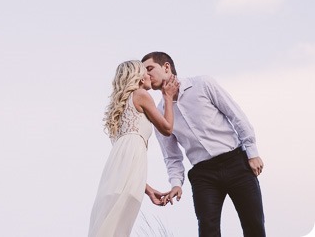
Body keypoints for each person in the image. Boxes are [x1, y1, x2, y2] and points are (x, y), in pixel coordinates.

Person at [142, 51, 266, 237]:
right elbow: (172, 156)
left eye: (150, 68)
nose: (146, 75)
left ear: (166, 67)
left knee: (253, 224)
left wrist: (252, 151)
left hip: (236, 162)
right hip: (203, 174)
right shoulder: (159, 114)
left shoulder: (203, 84)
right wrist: (176, 183)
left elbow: (236, 115)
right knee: (207, 229)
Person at [88, 60, 179, 237]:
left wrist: (148, 189)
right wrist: (167, 97)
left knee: (110, 224)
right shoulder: (140, 95)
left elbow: (124, 159)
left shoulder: (120, 107)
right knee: (118, 227)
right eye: (144, 71)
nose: (148, 75)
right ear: (137, 76)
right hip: (129, 174)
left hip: (115, 176)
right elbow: (167, 128)